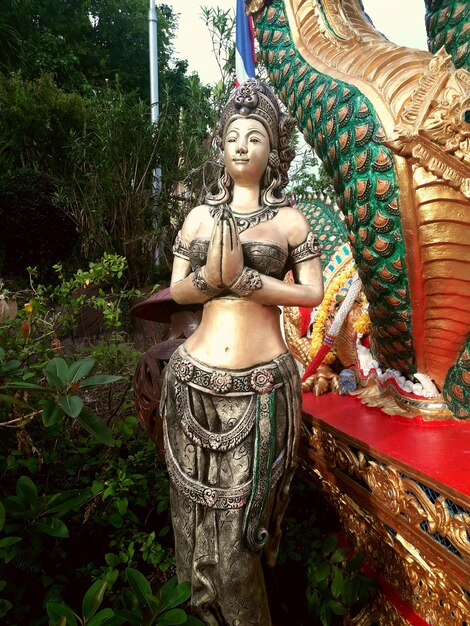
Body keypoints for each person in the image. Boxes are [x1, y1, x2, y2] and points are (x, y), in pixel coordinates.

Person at [160, 79, 323, 626]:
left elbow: (312, 293)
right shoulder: (200, 219)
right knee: (192, 536)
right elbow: (176, 290)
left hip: (259, 391)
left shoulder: (290, 222)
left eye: (256, 137)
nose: (242, 145)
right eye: (233, 136)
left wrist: (252, 282)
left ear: (275, 152)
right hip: (191, 382)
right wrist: (209, 280)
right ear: (219, 147)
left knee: (236, 546)